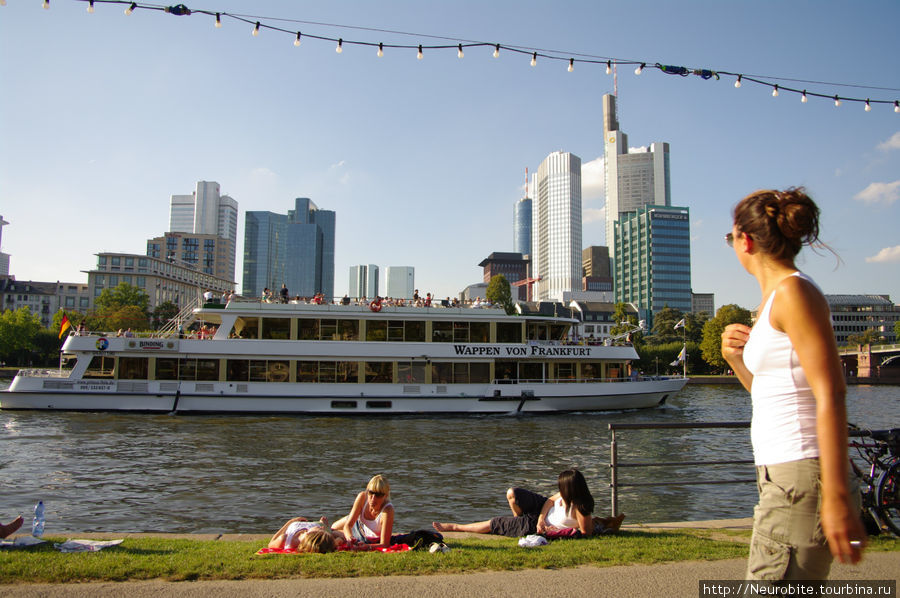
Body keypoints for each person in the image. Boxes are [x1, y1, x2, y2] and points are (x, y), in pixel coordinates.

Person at [720, 187, 865, 581]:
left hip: (801, 476)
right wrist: (736, 361)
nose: (732, 245)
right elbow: (773, 398)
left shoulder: (793, 293)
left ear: (745, 240)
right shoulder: (772, 302)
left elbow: (831, 391)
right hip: (783, 476)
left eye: (731, 237)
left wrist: (834, 496)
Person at [433, 469, 616, 538]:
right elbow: (550, 501)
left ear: (570, 489)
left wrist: (550, 529)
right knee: (514, 493)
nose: (559, 489)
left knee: (495, 523)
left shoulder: (580, 508)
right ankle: (517, 522)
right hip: (541, 514)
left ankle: (455, 527)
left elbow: (584, 533)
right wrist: (541, 518)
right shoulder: (564, 495)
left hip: (536, 525)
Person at [332, 474, 395, 550]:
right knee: (333, 528)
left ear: (385, 496)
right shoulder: (362, 497)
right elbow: (348, 525)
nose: (373, 498)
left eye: (378, 495)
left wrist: (368, 547)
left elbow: (385, 544)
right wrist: (350, 538)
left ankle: (340, 536)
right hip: (358, 523)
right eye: (371, 493)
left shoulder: (387, 510)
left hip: (364, 534)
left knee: (334, 533)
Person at [267, 516, 346, 552]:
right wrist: (321, 525)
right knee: (335, 533)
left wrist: (289, 523)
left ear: (310, 534)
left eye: (320, 529)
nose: (322, 529)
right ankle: (323, 524)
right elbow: (339, 540)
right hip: (313, 525)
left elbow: (270, 544)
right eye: (321, 529)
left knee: (332, 532)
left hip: (299, 525)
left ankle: (323, 524)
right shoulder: (325, 540)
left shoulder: (286, 539)